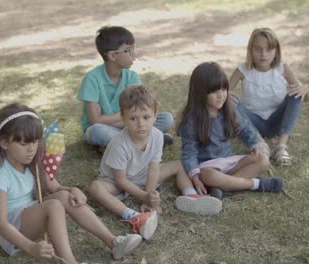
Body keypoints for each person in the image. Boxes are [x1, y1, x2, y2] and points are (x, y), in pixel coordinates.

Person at [0, 103, 142, 263]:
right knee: (53, 205)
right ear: (4, 143)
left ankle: (114, 242)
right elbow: (1, 224)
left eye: (35, 141)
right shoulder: (0, 175)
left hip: (30, 212)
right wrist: (31, 247)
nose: (32, 149)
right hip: (9, 230)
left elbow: (56, 188)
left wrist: (72, 189)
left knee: (63, 196)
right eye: (24, 143)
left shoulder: (34, 162)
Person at [87, 85, 222, 240]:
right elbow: (120, 179)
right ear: (123, 118)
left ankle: (191, 197)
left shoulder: (157, 136)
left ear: (155, 116)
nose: (141, 124)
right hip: (116, 183)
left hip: (142, 174)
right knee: (95, 187)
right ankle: (135, 217)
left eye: (146, 117)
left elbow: (153, 168)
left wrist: (150, 196)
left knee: (178, 165)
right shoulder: (119, 143)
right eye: (133, 118)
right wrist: (143, 196)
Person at [177, 62, 284, 201]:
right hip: (208, 167)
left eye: (223, 89)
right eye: (214, 91)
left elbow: (245, 129)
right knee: (208, 176)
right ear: (200, 93)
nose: (221, 95)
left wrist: (255, 145)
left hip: (229, 163)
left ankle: (222, 187)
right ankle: (256, 184)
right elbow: (189, 152)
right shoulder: (191, 121)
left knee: (263, 160)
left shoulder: (229, 111)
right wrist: (195, 177)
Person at [77, 26, 174, 152]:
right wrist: (125, 118)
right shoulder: (91, 79)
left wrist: (110, 119)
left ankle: (118, 145)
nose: (134, 54)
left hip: (130, 124)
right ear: (112, 56)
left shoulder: (132, 76)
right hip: (109, 128)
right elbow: (95, 120)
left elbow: (138, 110)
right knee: (96, 131)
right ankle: (149, 140)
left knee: (166, 119)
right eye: (129, 50)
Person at [229, 27, 309, 165]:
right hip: (251, 123)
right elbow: (220, 93)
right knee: (228, 100)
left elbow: (306, 97)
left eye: (269, 49)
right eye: (258, 49)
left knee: (296, 92)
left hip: (275, 122)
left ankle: (281, 146)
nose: (263, 54)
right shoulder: (242, 70)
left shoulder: (282, 68)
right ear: (250, 50)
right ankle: (258, 143)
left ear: (276, 51)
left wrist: (305, 90)